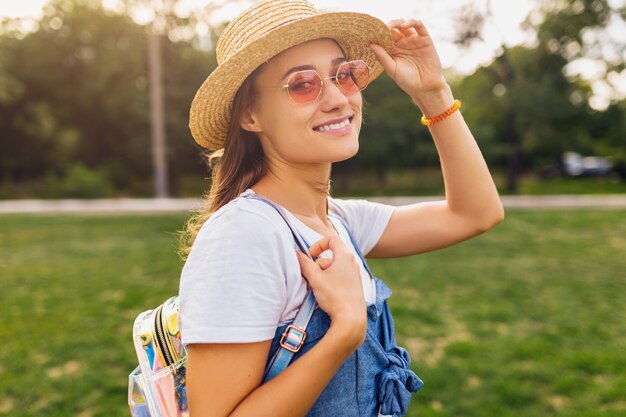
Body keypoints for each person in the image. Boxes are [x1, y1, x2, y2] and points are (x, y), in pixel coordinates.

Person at [178, 0, 504, 416]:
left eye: (344, 74)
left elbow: (475, 214)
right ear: (250, 114)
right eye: (302, 84)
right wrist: (345, 332)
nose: (337, 98)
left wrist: (433, 94)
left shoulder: (338, 220)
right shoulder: (246, 235)